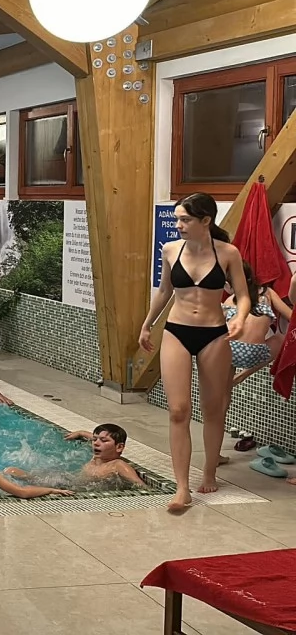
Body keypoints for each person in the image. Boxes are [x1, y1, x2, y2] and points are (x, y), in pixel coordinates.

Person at [139, 192, 248, 512]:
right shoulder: (171, 250)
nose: (178, 225)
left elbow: (243, 295)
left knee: (213, 409)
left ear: (205, 220)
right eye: (177, 219)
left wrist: (240, 317)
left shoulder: (228, 253)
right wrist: (147, 324)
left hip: (214, 334)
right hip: (177, 331)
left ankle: (210, 471)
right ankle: (182, 487)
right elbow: (164, 291)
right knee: (178, 410)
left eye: (185, 219)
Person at [6, 424, 144, 487]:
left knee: (15, 473)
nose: (96, 443)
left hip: (73, 488)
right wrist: (81, 433)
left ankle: (27, 478)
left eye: (103, 441)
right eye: (95, 439)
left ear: (119, 447)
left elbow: (140, 484)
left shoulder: (117, 465)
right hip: (70, 481)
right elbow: (94, 437)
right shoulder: (98, 457)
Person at [226, 262, 290, 385]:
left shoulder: (230, 300)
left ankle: (226, 387)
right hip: (254, 354)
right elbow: (291, 316)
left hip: (229, 352)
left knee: (228, 345)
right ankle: (242, 375)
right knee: (281, 338)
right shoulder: (267, 293)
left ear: (228, 285)